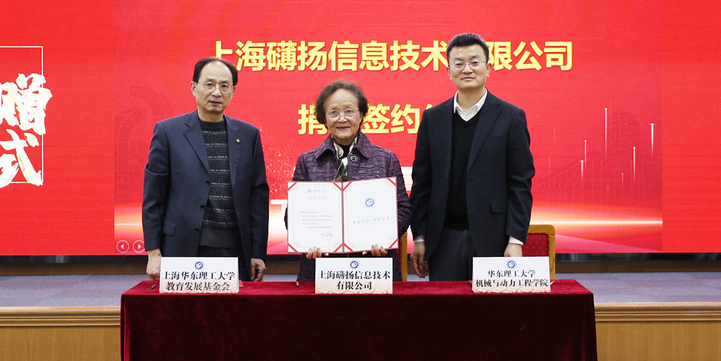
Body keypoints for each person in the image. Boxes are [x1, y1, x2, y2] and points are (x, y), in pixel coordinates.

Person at [410, 33, 534, 281]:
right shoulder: (432, 118)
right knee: (447, 304)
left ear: (488, 68)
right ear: (449, 71)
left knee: (491, 305)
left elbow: (520, 183)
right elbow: (422, 183)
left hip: (494, 238)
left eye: (474, 62)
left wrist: (515, 240)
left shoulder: (511, 117)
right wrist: (420, 237)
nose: (467, 69)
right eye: (459, 63)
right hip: (443, 238)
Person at [142, 57, 269, 282]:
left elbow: (257, 198)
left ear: (233, 91)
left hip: (235, 250)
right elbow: (153, 198)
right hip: (181, 247)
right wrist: (153, 251)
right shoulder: (168, 132)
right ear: (194, 87)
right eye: (209, 84)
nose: (216, 92)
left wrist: (257, 252)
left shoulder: (249, 135)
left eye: (224, 86)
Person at [288, 80, 411, 282]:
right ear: (324, 118)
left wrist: (385, 236)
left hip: (374, 267)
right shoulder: (307, 161)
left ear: (361, 115)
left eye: (349, 111)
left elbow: (403, 209)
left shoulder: (386, 159)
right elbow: (293, 215)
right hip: (321, 268)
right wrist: (308, 239)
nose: (342, 119)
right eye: (333, 112)